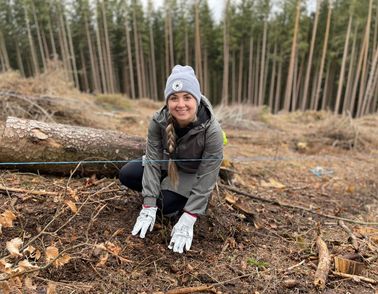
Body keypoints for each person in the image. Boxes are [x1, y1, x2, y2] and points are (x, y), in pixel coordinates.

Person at [119, 65, 223, 254]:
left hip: (191, 173)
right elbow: (152, 161)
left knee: (166, 205)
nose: (180, 104)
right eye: (173, 98)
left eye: (187, 97)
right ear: (167, 101)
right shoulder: (158, 121)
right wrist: (149, 204)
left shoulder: (212, 130)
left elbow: (208, 175)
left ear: (197, 99)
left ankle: (178, 200)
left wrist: (190, 215)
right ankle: (162, 193)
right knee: (127, 174)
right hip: (169, 164)